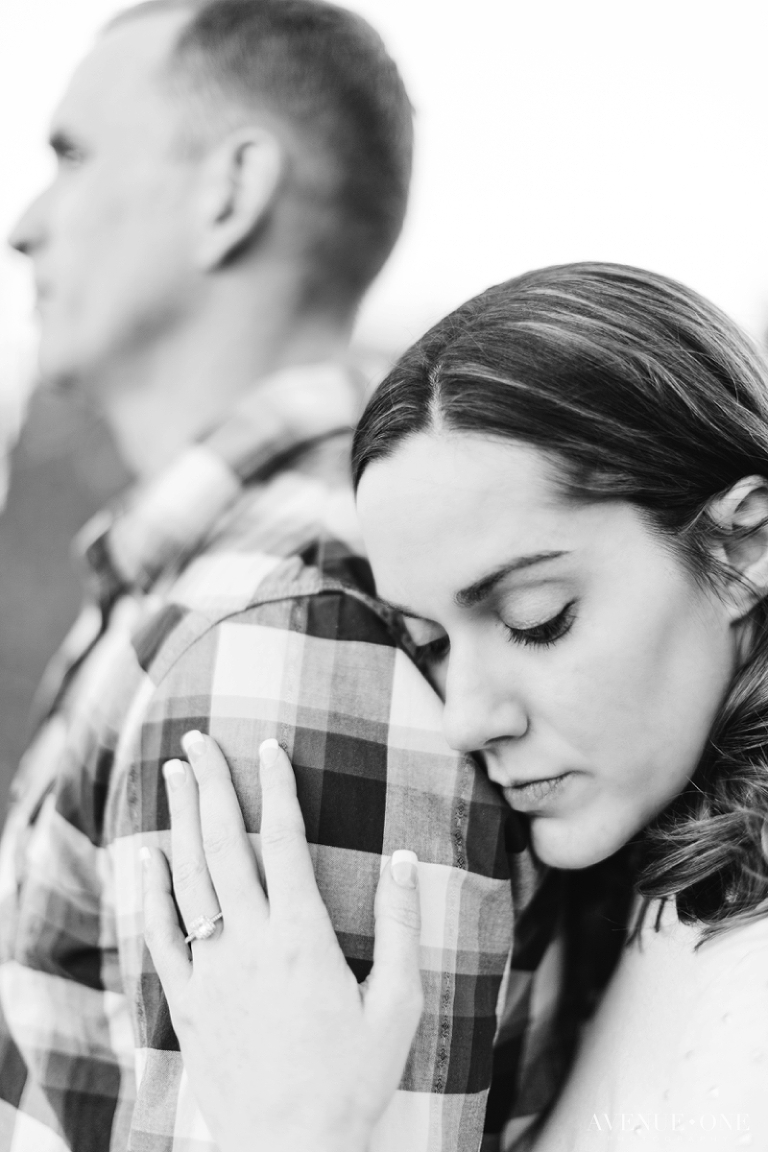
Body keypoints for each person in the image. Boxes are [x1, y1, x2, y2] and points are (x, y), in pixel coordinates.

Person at [0, 4, 583, 1151]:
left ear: (232, 190)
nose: (27, 224)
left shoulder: (282, 627)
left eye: (72, 156)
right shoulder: (226, 585)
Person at [142, 262, 768, 1151]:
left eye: (536, 620)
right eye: (430, 644)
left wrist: (297, 1135)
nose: (466, 719)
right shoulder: (659, 889)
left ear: (742, 544)